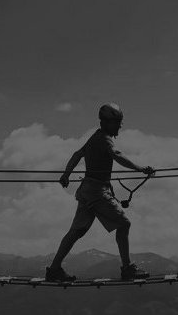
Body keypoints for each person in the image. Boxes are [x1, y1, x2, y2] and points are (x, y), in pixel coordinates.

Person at [46, 103, 156, 282]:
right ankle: (127, 269)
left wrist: (66, 174)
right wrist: (140, 168)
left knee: (76, 231)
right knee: (124, 224)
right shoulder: (104, 139)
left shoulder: (95, 137)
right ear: (107, 122)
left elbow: (77, 154)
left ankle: (54, 269)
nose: (120, 126)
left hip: (87, 190)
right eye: (117, 122)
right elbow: (116, 155)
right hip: (97, 191)